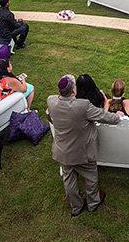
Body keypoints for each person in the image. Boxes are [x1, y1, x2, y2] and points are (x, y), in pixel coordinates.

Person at [47, 75, 120, 216]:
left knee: (68, 179)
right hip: (82, 152)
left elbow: (49, 116)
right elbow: (104, 116)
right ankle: (93, 203)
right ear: (74, 91)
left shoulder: (51, 100)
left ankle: (76, 206)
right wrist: (118, 116)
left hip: (62, 151)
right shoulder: (83, 106)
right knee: (91, 177)